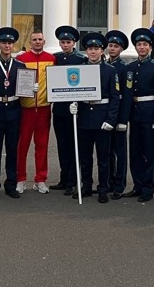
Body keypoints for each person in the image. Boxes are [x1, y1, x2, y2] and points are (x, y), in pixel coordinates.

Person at [70, 32, 121, 203]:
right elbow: (74, 89)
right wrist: (74, 103)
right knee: (85, 157)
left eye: (96, 49)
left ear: (102, 51)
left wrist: (111, 120)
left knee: (103, 157)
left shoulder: (110, 70)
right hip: (84, 116)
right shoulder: (80, 68)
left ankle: (103, 188)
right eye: (90, 49)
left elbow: (115, 97)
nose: (92, 52)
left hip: (102, 118)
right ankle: (86, 185)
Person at [122, 28, 154, 202]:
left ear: (151, 47)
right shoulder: (130, 68)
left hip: (149, 113)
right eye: (139, 44)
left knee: (149, 153)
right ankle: (137, 185)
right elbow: (126, 95)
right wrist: (124, 118)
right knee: (135, 152)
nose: (141, 47)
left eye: (145, 44)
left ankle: (148, 188)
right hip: (135, 114)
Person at [0, 26, 26, 199]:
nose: (7, 46)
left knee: (12, 149)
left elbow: (25, 88)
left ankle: (11, 183)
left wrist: (32, 88)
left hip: (15, 110)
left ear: (14, 45)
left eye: (10, 43)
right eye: (4, 43)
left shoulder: (20, 66)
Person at [16, 30, 55, 194]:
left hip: (44, 109)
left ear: (44, 41)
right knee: (22, 145)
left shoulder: (52, 59)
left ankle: (40, 179)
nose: (37, 42)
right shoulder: (21, 59)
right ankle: (20, 179)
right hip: (26, 108)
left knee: (42, 145)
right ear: (30, 42)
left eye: (40, 39)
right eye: (34, 40)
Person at [51, 25, 86, 194]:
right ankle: (64, 178)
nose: (65, 45)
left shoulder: (80, 60)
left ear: (74, 43)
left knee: (74, 146)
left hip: (75, 110)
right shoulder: (55, 59)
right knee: (62, 145)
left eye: (69, 42)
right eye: (63, 42)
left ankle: (73, 180)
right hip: (59, 109)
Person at [104, 29, 130, 198]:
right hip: (105, 114)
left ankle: (119, 185)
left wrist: (123, 120)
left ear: (121, 49)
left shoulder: (124, 68)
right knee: (106, 151)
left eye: (115, 46)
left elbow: (126, 97)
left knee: (119, 151)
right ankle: (107, 182)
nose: (112, 49)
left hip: (118, 114)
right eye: (110, 46)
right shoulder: (103, 66)